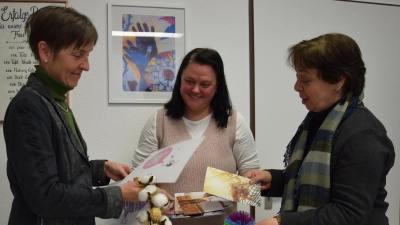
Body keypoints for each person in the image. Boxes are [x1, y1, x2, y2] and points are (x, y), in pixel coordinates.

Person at [3, 6, 172, 225]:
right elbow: (45, 196)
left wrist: (100, 168)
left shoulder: (55, 100)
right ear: (45, 51)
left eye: (87, 55)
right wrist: (118, 194)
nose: (86, 65)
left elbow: (59, 171)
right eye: (77, 55)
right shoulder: (28, 107)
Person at [246, 33, 395, 225]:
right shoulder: (319, 122)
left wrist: (282, 222)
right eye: (297, 78)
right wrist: (273, 180)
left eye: (306, 80)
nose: (296, 87)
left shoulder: (364, 135)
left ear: (338, 81)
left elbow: (349, 213)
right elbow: (311, 181)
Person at [132, 48, 260, 225]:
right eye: (189, 81)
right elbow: (137, 180)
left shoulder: (235, 122)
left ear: (217, 86)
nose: (195, 89)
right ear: (179, 81)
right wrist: (153, 193)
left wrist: (190, 204)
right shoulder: (158, 121)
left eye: (205, 84)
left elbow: (251, 186)